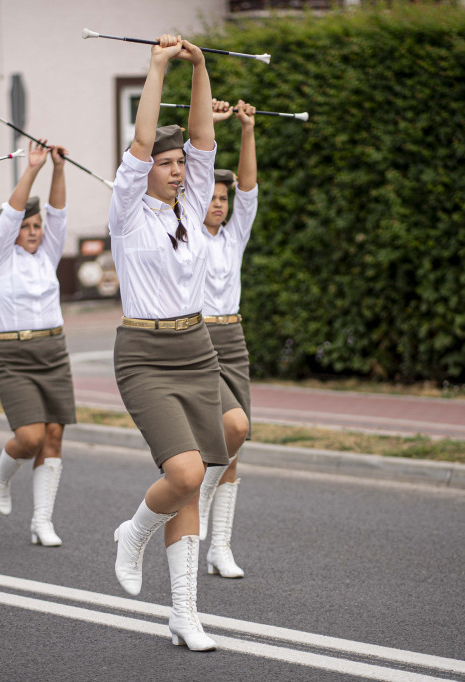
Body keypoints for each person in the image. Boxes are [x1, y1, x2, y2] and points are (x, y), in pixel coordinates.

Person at [108, 33, 223, 651]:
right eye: (166, 162)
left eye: (182, 164)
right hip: (146, 356)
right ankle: (133, 533)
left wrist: (199, 66)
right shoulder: (126, 211)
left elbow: (205, 136)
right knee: (183, 471)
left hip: (196, 348)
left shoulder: (196, 199)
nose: (179, 170)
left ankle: (184, 614)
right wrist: (156, 68)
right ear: (146, 168)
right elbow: (139, 139)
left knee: (194, 479)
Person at [0, 139, 76, 547]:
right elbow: (12, 216)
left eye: (37, 227)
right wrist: (33, 168)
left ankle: (42, 520)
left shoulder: (47, 253)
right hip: (12, 354)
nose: (35, 232)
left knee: (53, 435)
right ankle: (0, 473)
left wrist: (58, 168)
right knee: (29, 438)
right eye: (27, 226)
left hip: (53, 350)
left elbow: (58, 213)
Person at [196, 99, 258, 579]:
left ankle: (219, 547)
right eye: (212, 196)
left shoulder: (234, 235)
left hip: (233, 339)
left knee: (235, 447)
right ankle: (195, 507)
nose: (219, 203)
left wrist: (247, 131)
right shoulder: (187, 234)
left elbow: (250, 189)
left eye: (224, 198)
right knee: (230, 430)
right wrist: (210, 126)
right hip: (197, 341)